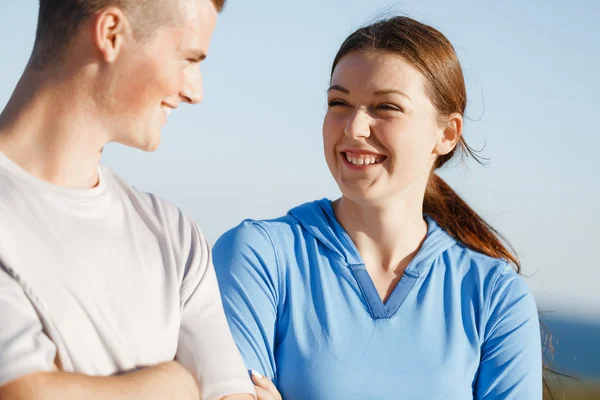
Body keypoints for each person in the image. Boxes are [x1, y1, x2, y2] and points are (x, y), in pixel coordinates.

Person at [213, 15, 542, 400]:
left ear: (447, 133)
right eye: (339, 102)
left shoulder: (495, 297)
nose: (354, 128)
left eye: (386, 107)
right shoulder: (259, 256)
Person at [0, 1, 254, 399]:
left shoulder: (176, 237)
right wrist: (178, 384)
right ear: (111, 34)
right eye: (188, 58)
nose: (195, 91)